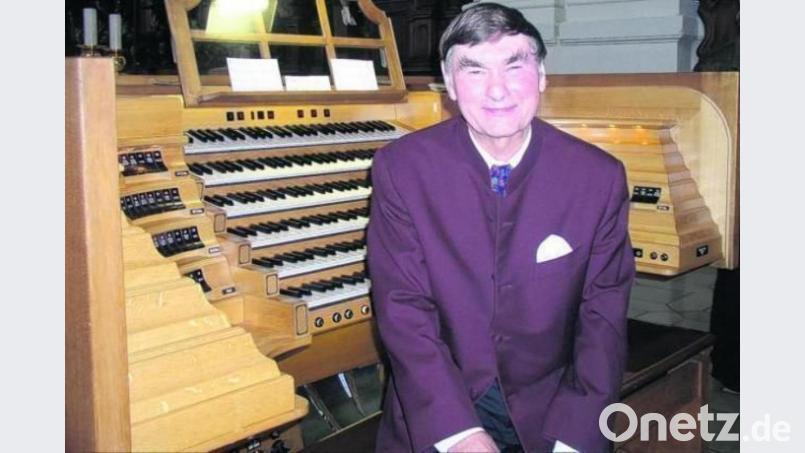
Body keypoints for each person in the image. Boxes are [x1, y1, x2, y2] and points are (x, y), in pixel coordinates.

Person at [367, 3, 635, 452]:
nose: (497, 91)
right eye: (474, 71)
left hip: (551, 408)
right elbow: (403, 308)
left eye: (515, 65)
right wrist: (458, 434)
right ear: (449, 84)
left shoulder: (598, 177)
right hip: (438, 403)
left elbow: (602, 318)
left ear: (542, 75)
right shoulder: (402, 169)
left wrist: (576, 434)